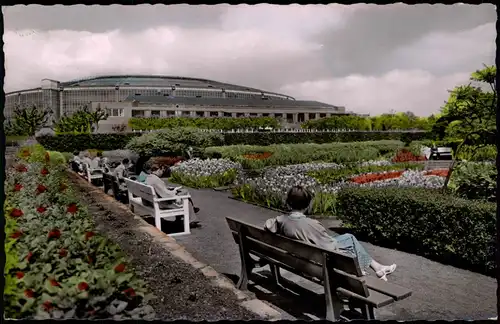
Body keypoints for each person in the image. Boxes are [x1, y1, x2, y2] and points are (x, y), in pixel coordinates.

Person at [264, 186, 397, 281]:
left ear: (288, 202)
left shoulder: (281, 220)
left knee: (348, 240)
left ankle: (378, 267)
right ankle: (377, 268)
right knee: (349, 242)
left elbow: (268, 225)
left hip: (300, 259)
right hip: (315, 265)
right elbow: (330, 246)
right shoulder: (311, 224)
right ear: (307, 205)